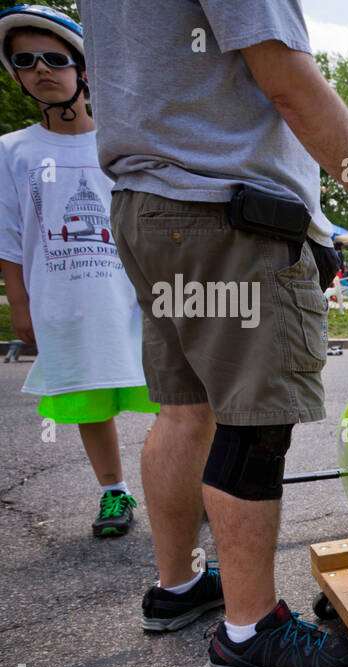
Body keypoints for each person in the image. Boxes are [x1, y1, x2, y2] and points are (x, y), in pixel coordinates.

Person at [81, 0, 348, 667]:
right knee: (254, 422)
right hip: (229, 214)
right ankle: (248, 629)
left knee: (186, 408)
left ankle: (177, 589)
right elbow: (287, 82)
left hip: (148, 205)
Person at [0, 4, 158, 539]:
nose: (42, 69)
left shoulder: (118, 141)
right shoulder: (12, 150)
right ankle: (113, 491)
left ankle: (186, 483)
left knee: (172, 396)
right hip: (64, 299)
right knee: (91, 392)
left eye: (55, 58)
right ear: (16, 73)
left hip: (133, 293)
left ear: (83, 69)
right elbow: (9, 234)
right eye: (26, 60)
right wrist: (20, 303)